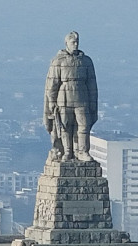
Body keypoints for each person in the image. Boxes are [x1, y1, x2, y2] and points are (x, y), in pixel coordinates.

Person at [44, 31, 98, 161]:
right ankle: (67, 151)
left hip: (82, 98)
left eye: (77, 42)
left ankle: (83, 151)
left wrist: (92, 102)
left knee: (83, 125)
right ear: (66, 43)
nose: (76, 44)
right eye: (73, 42)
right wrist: (51, 101)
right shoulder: (58, 61)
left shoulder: (86, 61)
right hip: (64, 98)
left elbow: (92, 84)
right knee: (65, 126)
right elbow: (52, 83)